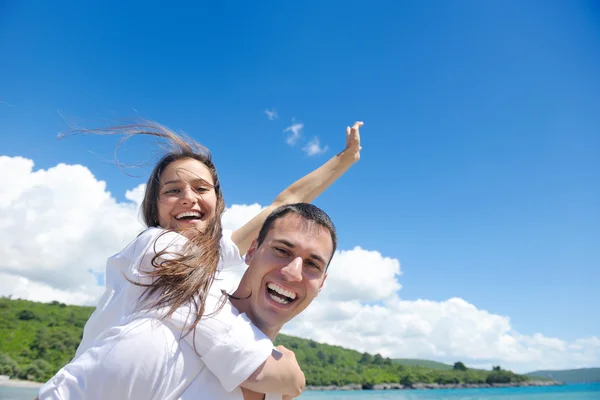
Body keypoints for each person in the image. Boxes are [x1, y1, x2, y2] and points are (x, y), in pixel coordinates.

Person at [38, 120, 362, 399]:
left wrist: (345, 159)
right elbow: (221, 334)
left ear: (217, 201)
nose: (188, 198)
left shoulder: (210, 257)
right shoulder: (154, 246)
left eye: (201, 188)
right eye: (172, 190)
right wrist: (284, 371)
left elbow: (284, 202)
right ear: (156, 205)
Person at [39, 203, 336, 400]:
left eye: (312, 264)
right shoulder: (158, 342)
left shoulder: (276, 388)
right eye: (282, 250)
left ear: (321, 284)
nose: (293, 272)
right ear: (251, 251)